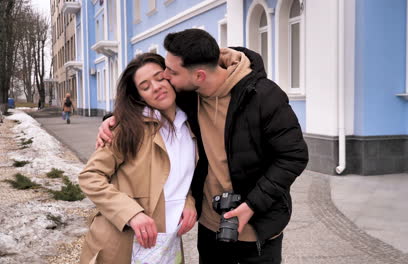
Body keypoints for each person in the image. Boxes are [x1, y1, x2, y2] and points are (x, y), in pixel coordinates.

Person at [97, 29, 309, 264]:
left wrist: (252, 205)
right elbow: (148, 103)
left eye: (171, 71)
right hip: (210, 228)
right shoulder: (189, 95)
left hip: (258, 228)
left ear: (198, 75)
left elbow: (294, 155)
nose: (166, 77)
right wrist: (113, 119)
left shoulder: (264, 96)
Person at [79, 53, 198, 264]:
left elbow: (180, 178)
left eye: (160, 78)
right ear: (140, 96)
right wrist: (132, 214)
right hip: (122, 243)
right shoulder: (128, 129)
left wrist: (189, 202)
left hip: (168, 243)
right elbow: (90, 176)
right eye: (145, 86)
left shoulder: (190, 125)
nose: (156, 87)